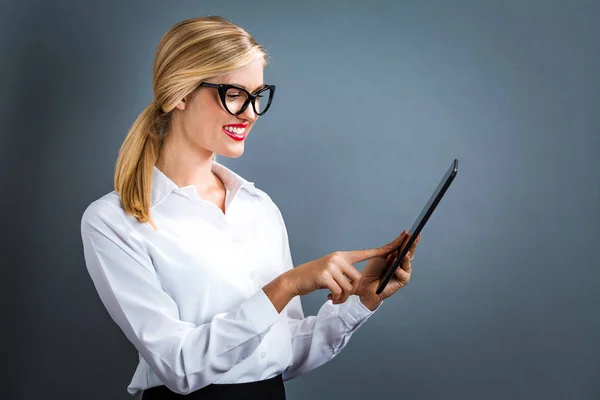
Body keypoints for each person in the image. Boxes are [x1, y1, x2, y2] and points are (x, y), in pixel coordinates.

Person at [80, 15, 421, 400]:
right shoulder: (112, 222)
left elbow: (282, 353)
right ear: (179, 94)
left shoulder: (258, 209)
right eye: (234, 93)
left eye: (257, 95)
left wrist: (362, 299)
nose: (250, 113)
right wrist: (287, 285)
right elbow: (179, 367)